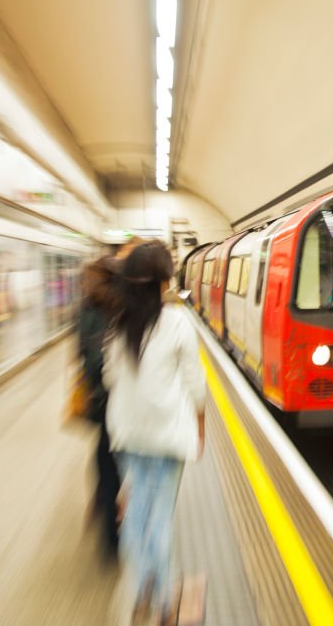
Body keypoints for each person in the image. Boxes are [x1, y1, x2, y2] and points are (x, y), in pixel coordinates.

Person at [105, 241, 206, 625]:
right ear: (163, 281)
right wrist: (199, 425)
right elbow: (195, 382)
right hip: (165, 436)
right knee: (160, 517)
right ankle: (165, 602)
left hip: (127, 435)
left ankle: (139, 590)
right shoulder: (177, 322)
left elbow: (110, 378)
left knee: (135, 515)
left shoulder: (118, 325)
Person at [78, 256, 122, 555]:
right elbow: (97, 360)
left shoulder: (86, 309)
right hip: (114, 399)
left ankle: (108, 526)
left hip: (99, 400)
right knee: (115, 466)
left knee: (105, 462)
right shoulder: (114, 310)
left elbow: (83, 353)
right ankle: (113, 536)